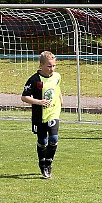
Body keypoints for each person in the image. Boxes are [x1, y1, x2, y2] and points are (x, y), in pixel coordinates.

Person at [21, 51, 63, 179]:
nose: (52, 69)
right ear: (41, 65)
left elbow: (57, 88)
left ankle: (48, 163)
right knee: (42, 141)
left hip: (53, 112)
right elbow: (24, 97)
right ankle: (41, 162)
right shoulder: (34, 80)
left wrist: (60, 99)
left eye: (54, 66)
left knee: (54, 139)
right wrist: (39, 102)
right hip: (39, 116)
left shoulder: (57, 76)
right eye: (49, 66)